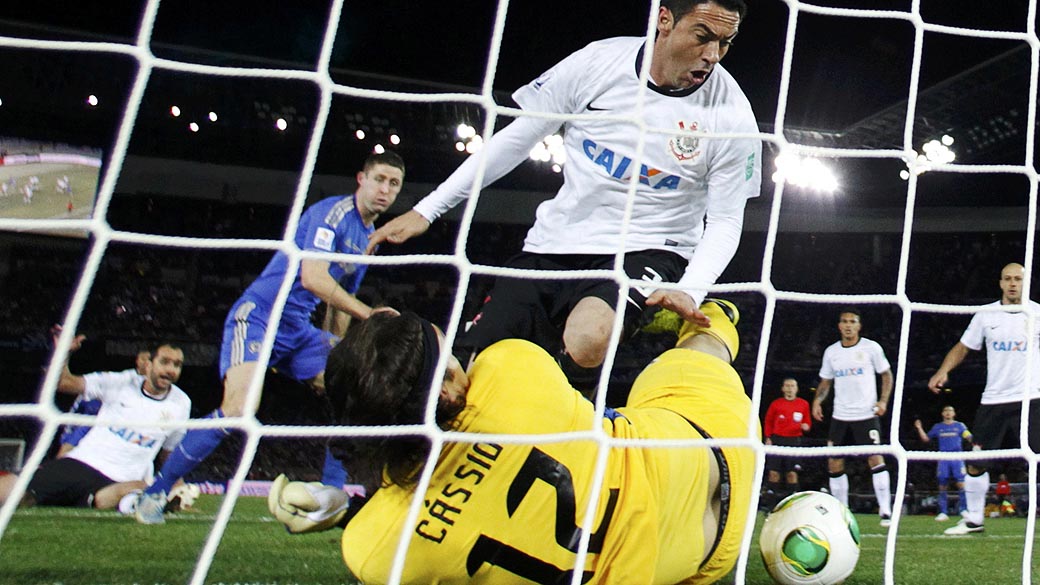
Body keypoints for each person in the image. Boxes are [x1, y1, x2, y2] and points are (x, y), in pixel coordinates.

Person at [367, 0, 761, 391]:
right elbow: (517, 139)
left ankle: (563, 430)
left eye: (726, 42)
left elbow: (726, 220)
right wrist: (428, 209)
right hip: (556, 241)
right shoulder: (597, 63)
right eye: (703, 36)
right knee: (475, 365)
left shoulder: (732, 115)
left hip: (650, 247)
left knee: (590, 336)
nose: (713, 55)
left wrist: (689, 289)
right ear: (664, 20)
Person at [267, 299, 756, 583]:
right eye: (451, 358)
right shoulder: (511, 368)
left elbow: (436, 501)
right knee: (701, 347)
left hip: (685, 567)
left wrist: (347, 510)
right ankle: (706, 313)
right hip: (712, 454)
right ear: (444, 384)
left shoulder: (374, 550)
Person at [134, 151, 405, 524]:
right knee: (239, 410)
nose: (385, 190)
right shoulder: (334, 215)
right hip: (260, 316)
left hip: (298, 328)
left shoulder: (366, 240)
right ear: (361, 179)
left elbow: (338, 304)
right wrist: (370, 315)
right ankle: (154, 494)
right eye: (379, 180)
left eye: (394, 184)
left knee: (355, 393)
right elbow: (314, 278)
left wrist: (339, 356)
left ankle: (331, 497)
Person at [0, 334, 191, 511]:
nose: (170, 370)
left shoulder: (181, 404)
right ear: (149, 364)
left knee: (134, 491)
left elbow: (169, 453)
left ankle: (141, 502)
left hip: (120, 483)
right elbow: (64, 383)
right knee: (18, 493)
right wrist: (64, 353)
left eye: (177, 365)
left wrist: (178, 484)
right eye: (164, 362)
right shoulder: (121, 382)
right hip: (81, 465)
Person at [927, 262, 1040, 535]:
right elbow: (964, 347)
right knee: (976, 462)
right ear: (1000, 283)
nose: (1013, 283)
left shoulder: (1036, 312)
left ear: (1025, 283)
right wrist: (943, 370)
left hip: (1031, 399)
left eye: (1018, 279)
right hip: (994, 400)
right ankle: (975, 520)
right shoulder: (986, 314)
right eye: (1008, 279)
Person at [811, 308, 894, 527]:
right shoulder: (832, 352)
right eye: (844, 321)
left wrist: (883, 401)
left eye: (852, 321)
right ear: (839, 326)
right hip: (840, 415)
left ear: (859, 326)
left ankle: (886, 511)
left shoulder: (871, 348)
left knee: (875, 458)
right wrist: (818, 401)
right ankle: (841, 512)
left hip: (866, 414)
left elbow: (886, 374)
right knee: (834, 462)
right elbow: (826, 381)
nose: (848, 325)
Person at [56, 348, 151, 458]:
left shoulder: (171, 397)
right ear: (138, 360)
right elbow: (65, 383)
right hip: (89, 422)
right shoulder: (119, 381)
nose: (147, 364)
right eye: (145, 359)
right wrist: (65, 351)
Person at [913, 406, 971, 521]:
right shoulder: (938, 427)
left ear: (954, 413)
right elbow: (926, 439)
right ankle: (943, 512)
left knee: (961, 484)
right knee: (942, 484)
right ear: (942, 414)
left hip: (957, 457)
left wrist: (974, 440)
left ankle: (964, 510)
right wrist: (919, 428)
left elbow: (968, 436)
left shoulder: (960, 426)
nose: (948, 413)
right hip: (943, 458)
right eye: (946, 411)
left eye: (950, 411)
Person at [762, 377, 811, 508]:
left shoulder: (803, 404)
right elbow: (768, 421)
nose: (790, 388)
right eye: (787, 386)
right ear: (783, 388)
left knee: (792, 473)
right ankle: (771, 506)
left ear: (797, 388)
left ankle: (793, 504)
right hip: (777, 439)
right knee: (774, 473)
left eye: (792, 386)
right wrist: (768, 437)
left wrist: (806, 426)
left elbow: (807, 423)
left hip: (794, 441)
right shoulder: (776, 404)